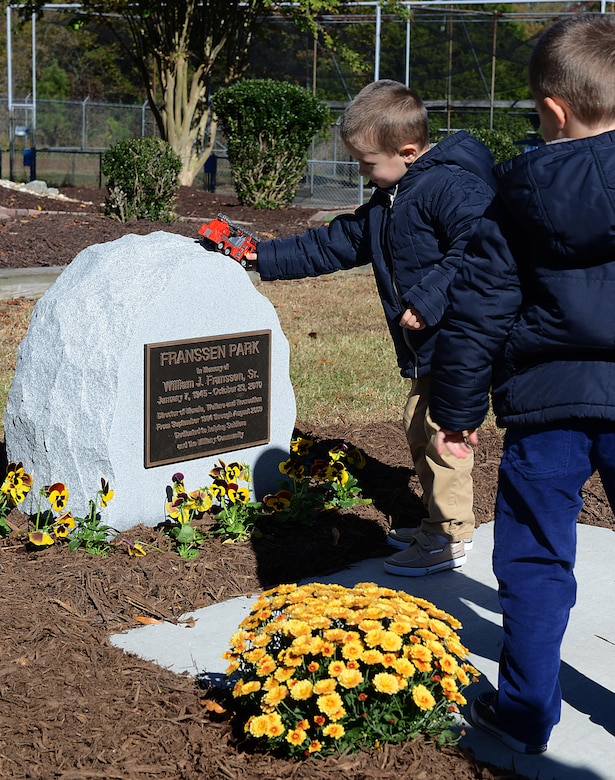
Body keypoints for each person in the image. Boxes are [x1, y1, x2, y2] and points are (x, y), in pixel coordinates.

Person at [430, 13, 615, 754]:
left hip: (546, 412)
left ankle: (525, 711)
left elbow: (477, 313)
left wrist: (454, 409)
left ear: (552, 109)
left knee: (535, 559)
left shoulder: (512, 200)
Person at [245, 79, 495, 575]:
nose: (361, 173)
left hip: (459, 341)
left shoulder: (451, 188)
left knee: (442, 434)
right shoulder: (391, 198)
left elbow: (479, 248)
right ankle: (436, 521)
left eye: (366, 163)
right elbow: (331, 245)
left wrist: (427, 299)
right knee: (417, 429)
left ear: (406, 151)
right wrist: (259, 255)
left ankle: (448, 537)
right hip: (428, 347)